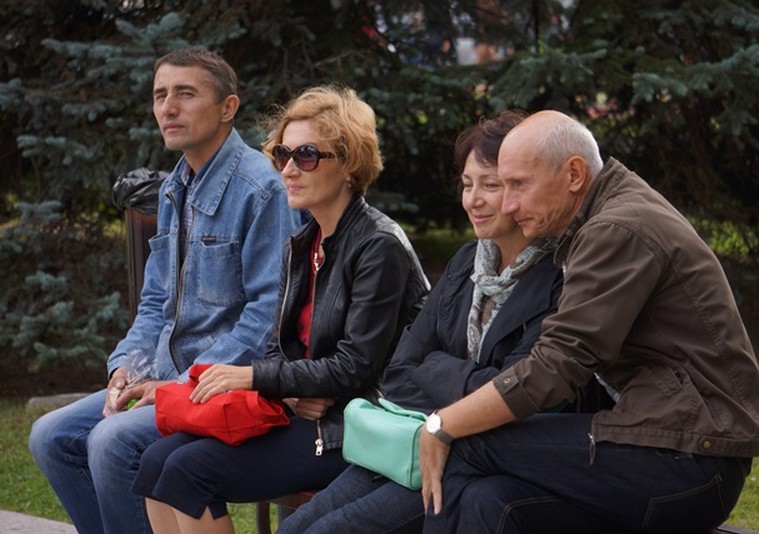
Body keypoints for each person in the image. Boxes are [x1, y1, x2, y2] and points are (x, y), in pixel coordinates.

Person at [419, 110, 759, 533]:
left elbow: (556, 367)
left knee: (468, 442)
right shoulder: (605, 214)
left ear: (574, 174)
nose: (509, 205)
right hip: (674, 445)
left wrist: (441, 424)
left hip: (692, 458)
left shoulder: (617, 228)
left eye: (519, 185)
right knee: (492, 500)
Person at [131, 84, 430, 534]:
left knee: (188, 471)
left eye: (306, 156)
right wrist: (286, 392)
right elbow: (278, 345)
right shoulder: (305, 241)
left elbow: (355, 368)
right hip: (303, 409)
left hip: (357, 423)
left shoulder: (378, 246)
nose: (288, 169)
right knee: (155, 462)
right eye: (281, 154)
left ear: (349, 165)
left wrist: (253, 377)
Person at [28, 48, 301, 534]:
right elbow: (155, 300)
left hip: (226, 385)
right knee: (51, 436)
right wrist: (125, 367)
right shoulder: (176, 186)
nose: (168, 108)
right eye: (160, 95)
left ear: (228, 107)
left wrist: (180, 386)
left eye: (185, 94)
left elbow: (267, 318)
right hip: (165, 377)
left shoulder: (262, 190)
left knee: (111, 441)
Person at [278, 110, 568, 534]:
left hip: (470, 461)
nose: (473, 200)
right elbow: (400, 370)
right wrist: (465, 386)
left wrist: (438, 370)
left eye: (491, 185)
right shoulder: (468, 261)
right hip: (406, 442)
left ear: (523, 186)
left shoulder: (556, 278)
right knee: (294, 529)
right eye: (467, 184)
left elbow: (517, 393)